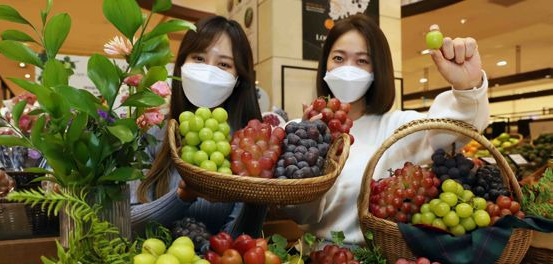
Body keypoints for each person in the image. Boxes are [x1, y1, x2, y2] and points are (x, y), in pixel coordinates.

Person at [282, 14, 489, 244]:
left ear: (377, 69)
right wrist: (307, 147)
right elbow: (298, 214)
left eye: (362, 61)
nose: (348, 69)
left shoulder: (397, 126)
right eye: (338, 58)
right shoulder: (299, 129)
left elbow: (451, 132)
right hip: (316, 262)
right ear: (325, 64)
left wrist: (466, 88)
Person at [132, 16, 266, 237]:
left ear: (239, 78)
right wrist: (182, 196)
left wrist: (258, 199)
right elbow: (128, 222)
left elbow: (238, 241)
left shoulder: (246, 149)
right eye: (199, 58)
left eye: (224, 64)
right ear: (182, 65)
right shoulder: (151, 133)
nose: (208, 70)